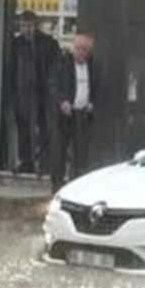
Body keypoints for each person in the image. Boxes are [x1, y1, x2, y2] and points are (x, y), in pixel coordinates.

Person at [6, 11, 59, 174]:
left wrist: (51, 91)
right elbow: (11, 69)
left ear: (35, 26)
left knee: (43, 128)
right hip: (22, 92)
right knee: (23, 128)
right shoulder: (16, 44)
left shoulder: (48, 43)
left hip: (41, 92)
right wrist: (12, 93)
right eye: (22, 26)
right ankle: (26, 161)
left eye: (29, 26)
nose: (26, 30)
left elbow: (54, 68)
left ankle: (43, 163)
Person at [52, 32, 99, 192]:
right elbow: (53, 84)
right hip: (65, 114)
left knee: (81, 153)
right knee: (60, 151)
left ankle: (77, 187)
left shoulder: (92, 65)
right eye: (79, 49)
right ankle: (57, 186)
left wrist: (92, 102)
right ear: (73, 48)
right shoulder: (63, 63)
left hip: (82, 113)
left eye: (85, 50)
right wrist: (61, 101)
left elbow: (96, 85)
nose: (81, 53)